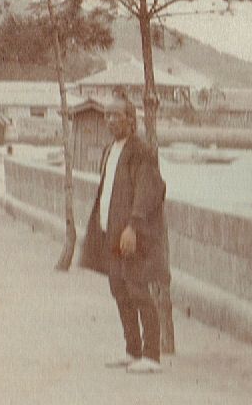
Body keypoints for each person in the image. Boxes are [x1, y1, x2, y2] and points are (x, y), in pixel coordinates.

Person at [84, 93, 167, 374]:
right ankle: (132, 351)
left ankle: (152, 355)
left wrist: (133, 226)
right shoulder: (110, 150)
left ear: (131, 120)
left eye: (115, 115)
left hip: (132, 234)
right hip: (111, 231)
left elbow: (148, 191)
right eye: (106, 115)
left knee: (138, 289)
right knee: (119, 290)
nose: (109, 120)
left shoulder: (140, 150)